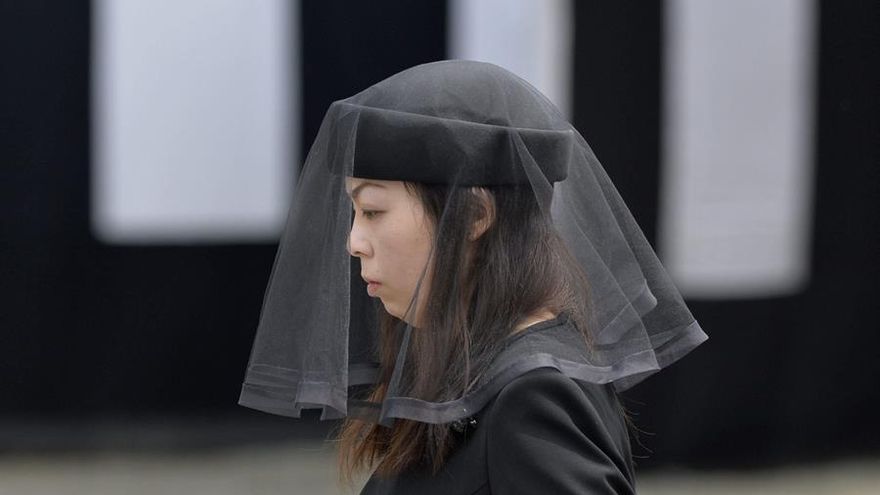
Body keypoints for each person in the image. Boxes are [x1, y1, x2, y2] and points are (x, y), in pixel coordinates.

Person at [238, 60, 708, 494]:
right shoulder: (471, 363)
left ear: (475, 216)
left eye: (373, 210)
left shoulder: (535, 394)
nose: (354, 241)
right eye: (354, 212)